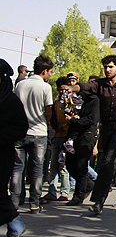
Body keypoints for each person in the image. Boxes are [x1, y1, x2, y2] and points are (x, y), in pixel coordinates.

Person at [62, 55, 116, 215]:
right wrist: (71, 88)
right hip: (106, 127)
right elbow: (84, 87)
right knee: (110, 162)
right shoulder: (99, 85)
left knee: (107, 161)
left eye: (111, 67)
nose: (107, 70)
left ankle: (98, 201)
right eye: (105, 67)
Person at [11, 55, 54, 214]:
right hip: (39, 133)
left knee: (17, 168)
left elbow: (14, 107)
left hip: (20, 132)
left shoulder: (20, 85)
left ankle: (14, 201)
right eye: (50, 72)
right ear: (44, 71)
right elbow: (48, 110)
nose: (50, 75)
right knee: (37, 169)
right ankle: (34, 203)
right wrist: (46, 120)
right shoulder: (45, 87)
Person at [0, 59, 28, 237]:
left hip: (3, 153)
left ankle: (15, 222)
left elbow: (21, 127)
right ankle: (14, 223)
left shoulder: (10, 100)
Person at [64, 89, 100, 206]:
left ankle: (79, 195)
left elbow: (92, 119)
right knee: (70, 164)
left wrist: (75, 120)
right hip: (74, 135)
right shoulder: (79, 100)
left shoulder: (95, 101)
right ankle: (89, 185)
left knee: (81, 166)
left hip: (87, 136)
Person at [40, 76, 73, 204]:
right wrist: (54, 126)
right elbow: (51, 118)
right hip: (57, 136)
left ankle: (64, 192)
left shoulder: (71, 102)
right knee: (53, 165)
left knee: (63, 167)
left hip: (66, 137)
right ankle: (52, 192)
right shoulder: (55, 104)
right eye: (59, 89)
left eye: (63, 89)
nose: (61, 92)